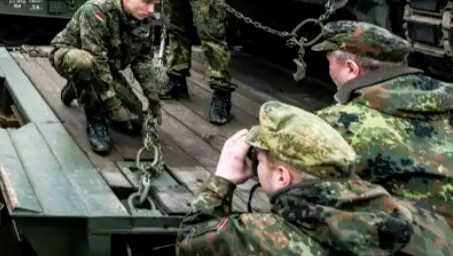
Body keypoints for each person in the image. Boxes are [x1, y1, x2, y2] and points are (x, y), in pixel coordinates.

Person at [177, 101, 453, 256]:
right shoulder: (425, 220)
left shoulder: (262, 236)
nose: (256, 162)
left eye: (260, 158)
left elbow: (189, 243)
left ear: (282, 176)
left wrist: (222, 181)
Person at [312, 21, 453, 227]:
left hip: (433, 236)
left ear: (351, 69)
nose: (329, 69)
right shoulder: (445, 95)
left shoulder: (341, 122)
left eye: (330, 63)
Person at [50, 0, 166, 155]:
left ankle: (76, 86)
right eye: (146, 2)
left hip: (106, 67)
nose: (151, 10)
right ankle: (95, 120)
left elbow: (142, 60)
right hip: (72, 57)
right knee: (84, 64)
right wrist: (112, 105)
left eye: (154, 4)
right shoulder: (97, 10)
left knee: (135, 122)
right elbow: (97, 60)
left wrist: (153, 97)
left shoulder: (144, 19)